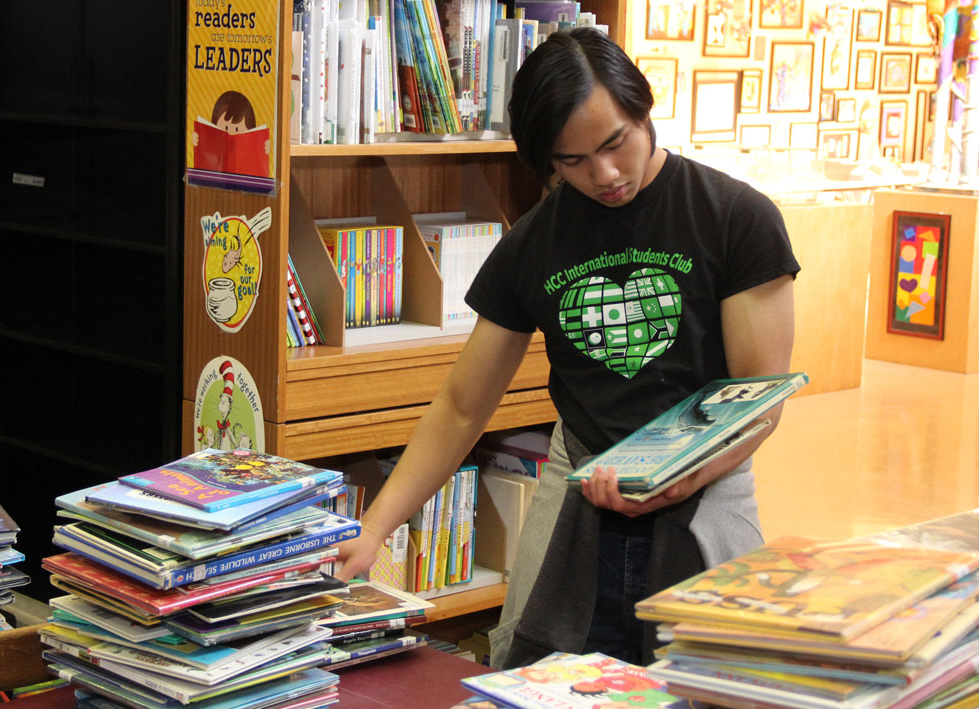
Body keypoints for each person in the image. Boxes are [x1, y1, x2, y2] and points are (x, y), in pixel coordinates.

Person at [334, 27, 799, 670]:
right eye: (572, 161)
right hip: (577, 497)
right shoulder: (534, 243)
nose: (604, 174)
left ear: (643, 109)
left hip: (706, 498)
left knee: (712, 680)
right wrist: (376, 526)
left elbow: (757, 398)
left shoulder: (735, 217)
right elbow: (463, 407)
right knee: (538, 678)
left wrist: (681, 477)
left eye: (616, 143)